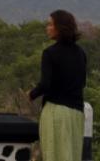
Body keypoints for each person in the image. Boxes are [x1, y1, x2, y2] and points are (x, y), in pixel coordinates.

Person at [29, 9, 88, 161]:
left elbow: (45, 84)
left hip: (56, 112)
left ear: (59, 28)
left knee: (54, 155)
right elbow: (82, 82)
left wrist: (32, 94)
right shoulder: (81, 53)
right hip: (76, 113)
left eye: (50, 24)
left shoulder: (50, 53)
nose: (47, 28)